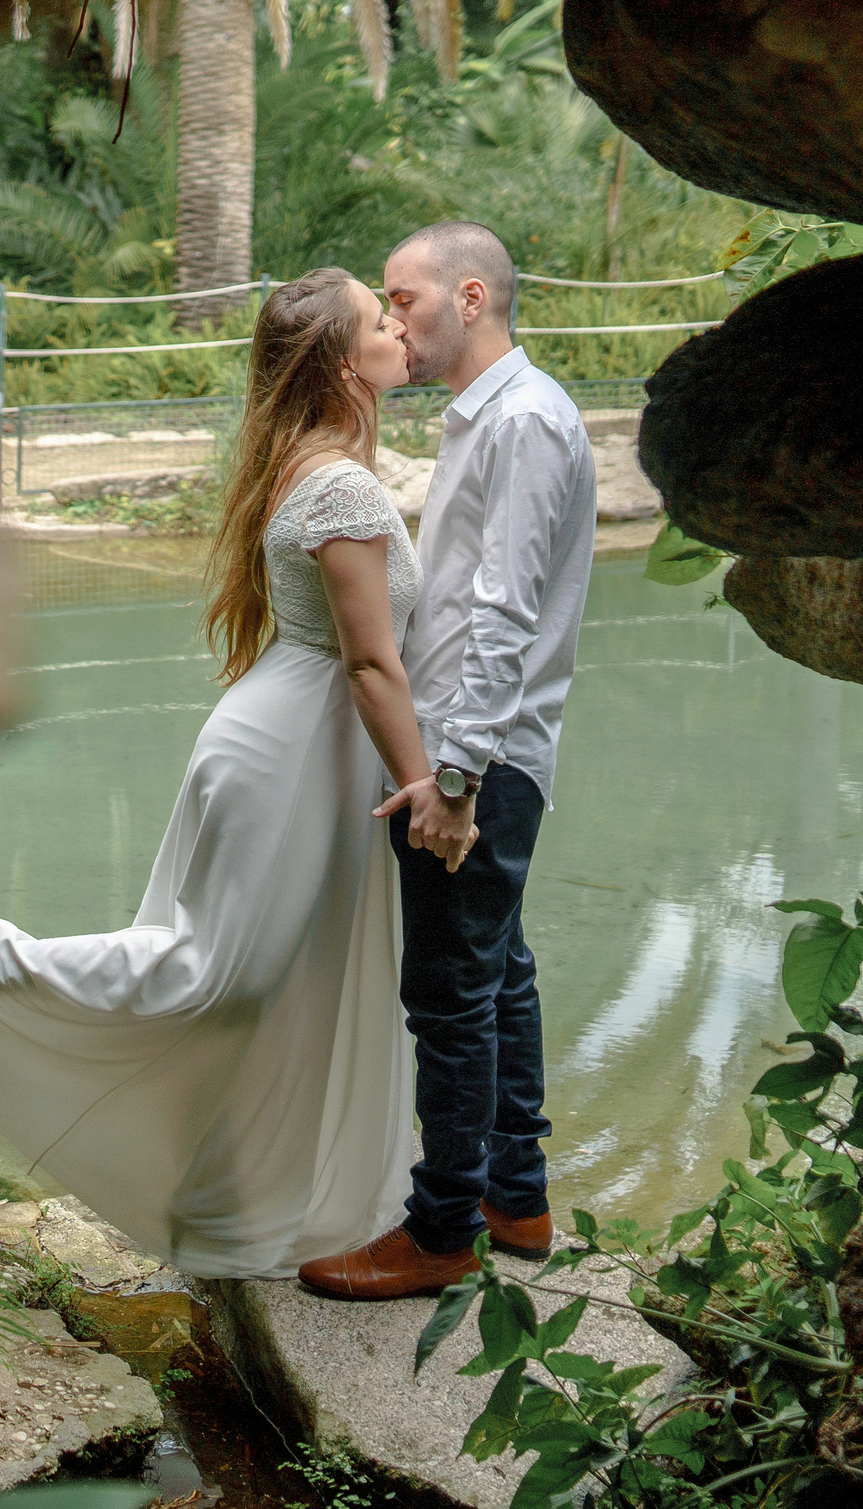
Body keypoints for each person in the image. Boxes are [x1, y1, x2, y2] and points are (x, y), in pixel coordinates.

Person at [0, 269, 441, 1278]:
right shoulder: (340, 484)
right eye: (379, 320)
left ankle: (231, 1207)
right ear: (337, 359)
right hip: (291, 753)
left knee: (279, 985)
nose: (398, 328)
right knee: (219, 975)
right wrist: (427, 792)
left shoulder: (315, 464)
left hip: (295, 742)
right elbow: (372, 663)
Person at [296, 222, 597, 1300]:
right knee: (497, 976)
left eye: (403, 298)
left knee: (449, 997)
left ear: (469, 298)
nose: (394, 320)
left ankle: (438, 1234)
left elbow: (502, 615)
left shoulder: (521, 425)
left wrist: (454, 781)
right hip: (478, 753)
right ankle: (513, 1199)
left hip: (477, 762)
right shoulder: (491, 419)